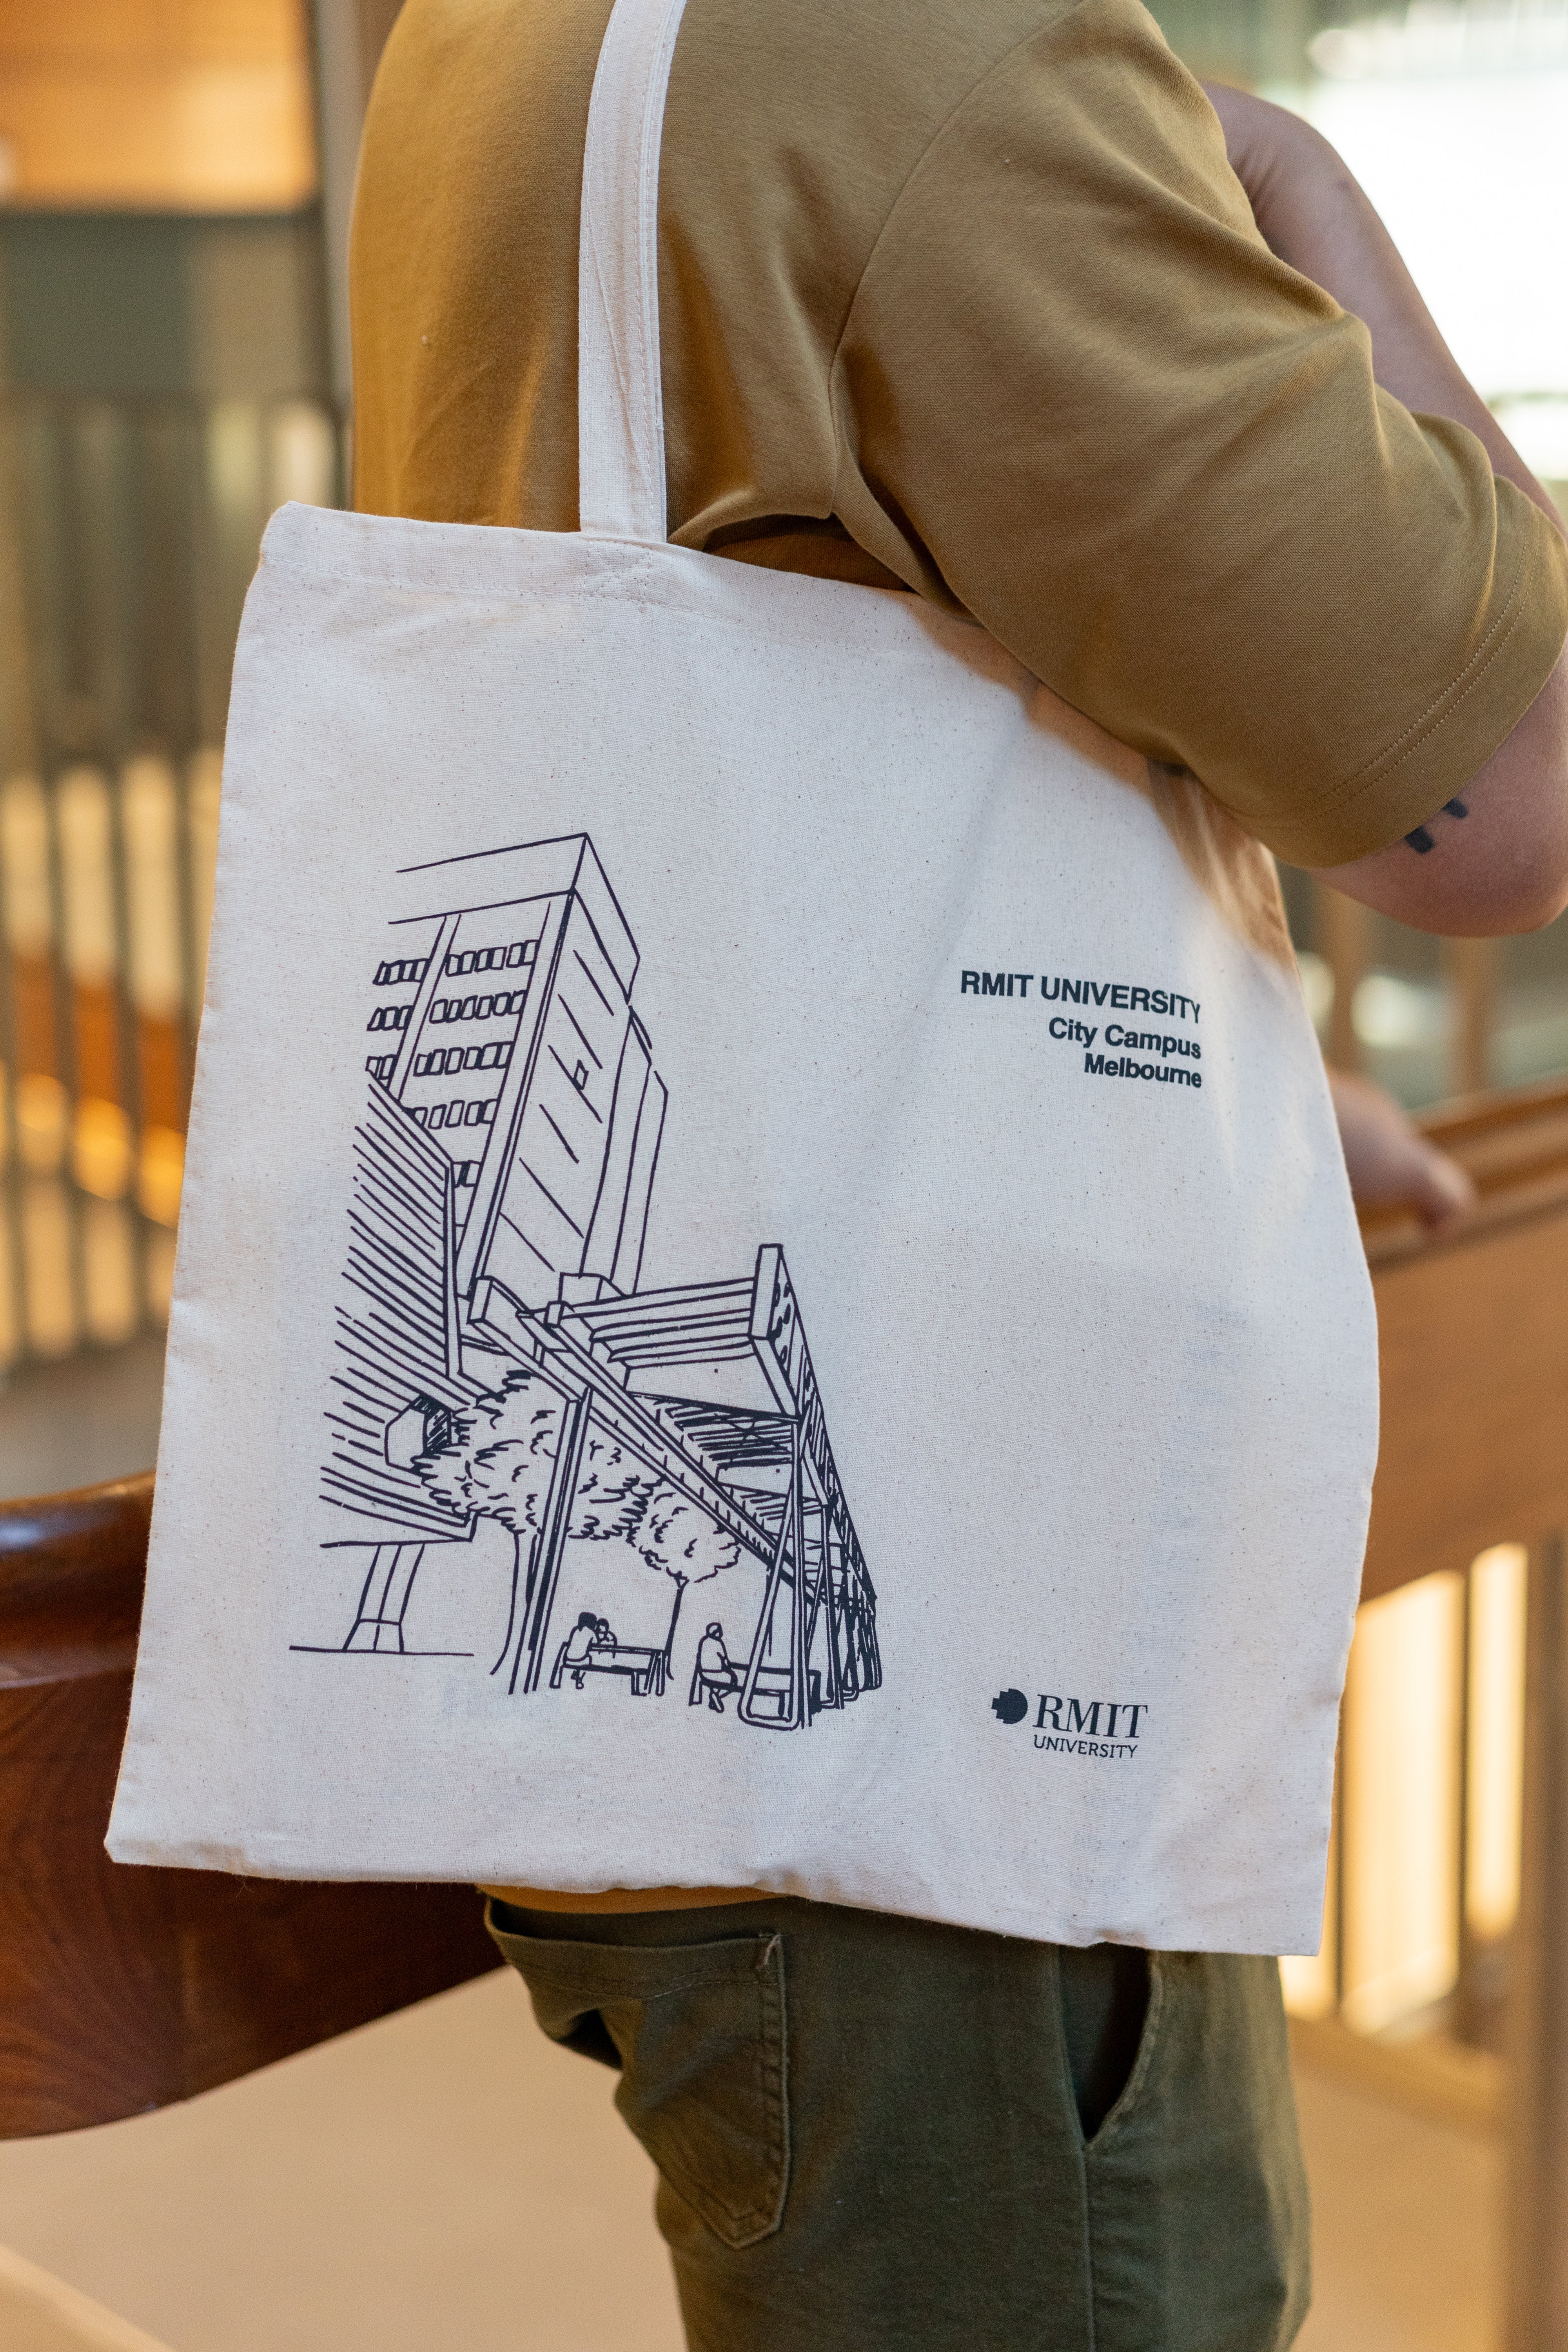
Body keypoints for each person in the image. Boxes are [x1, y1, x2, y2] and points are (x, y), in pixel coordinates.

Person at [350, 5, 1568, 2345]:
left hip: (687, 1588)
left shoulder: (507, 34)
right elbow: (1502, 793)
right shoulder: (930, 45)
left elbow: (787, 638)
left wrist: (1190, 1067)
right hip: (941, 1662)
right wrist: (1302, 191)